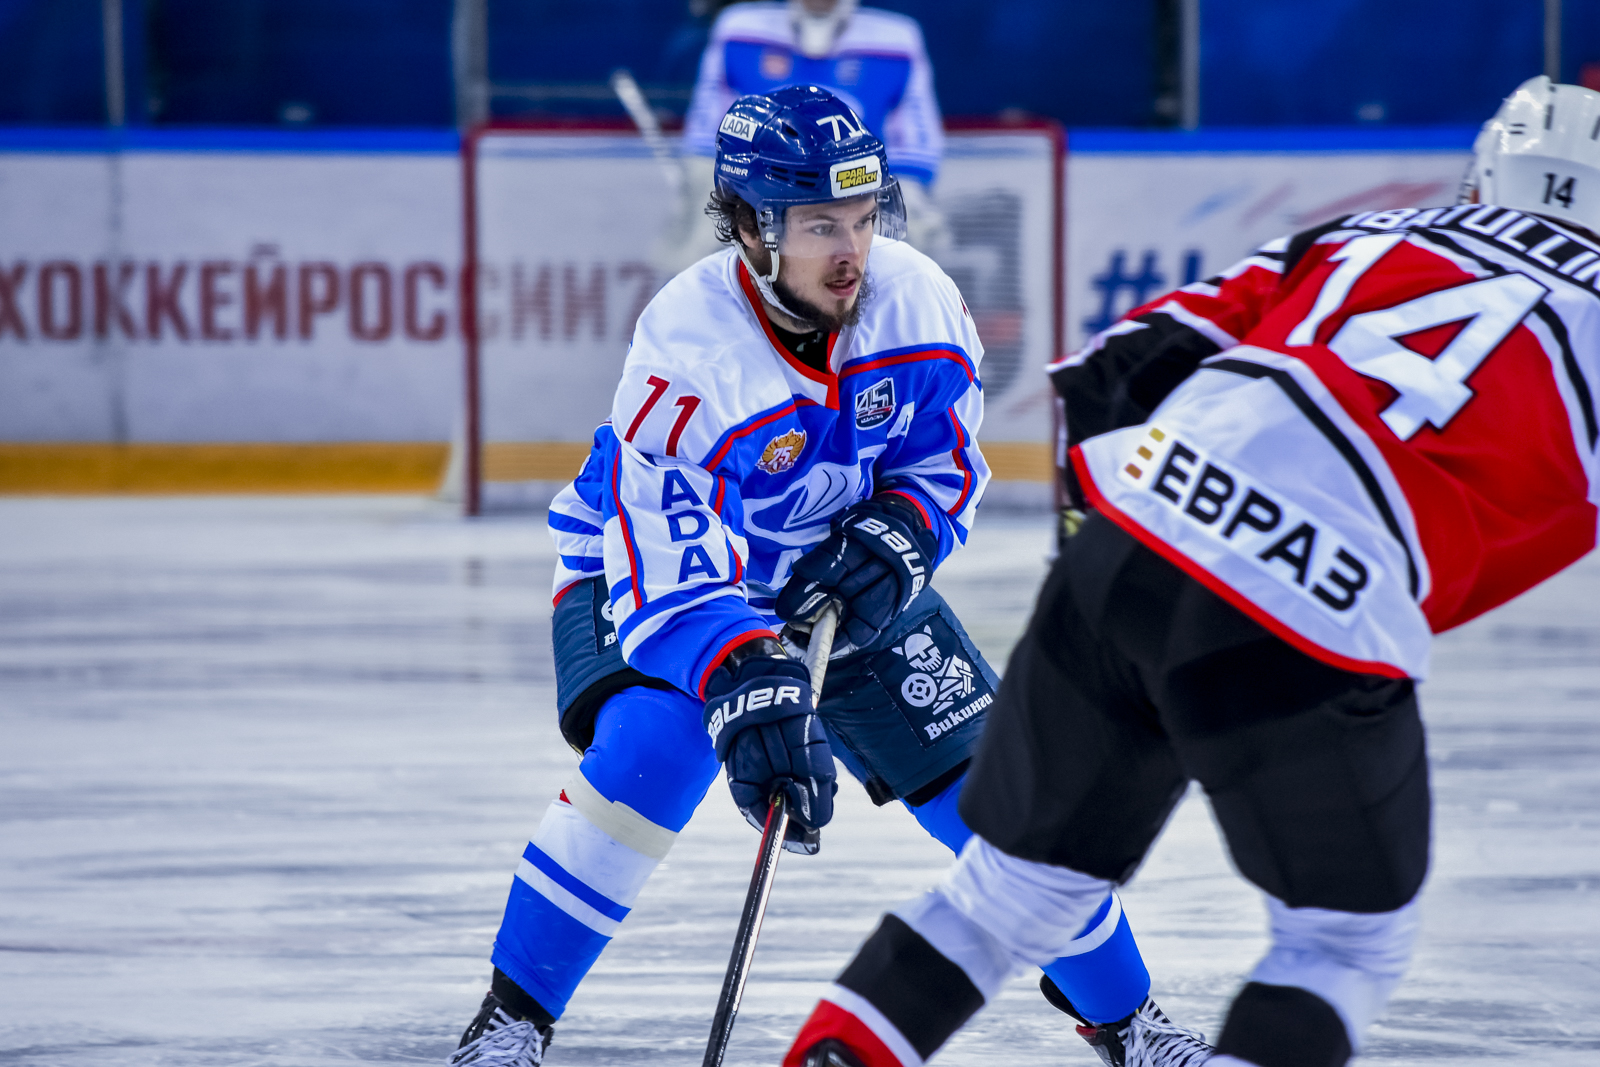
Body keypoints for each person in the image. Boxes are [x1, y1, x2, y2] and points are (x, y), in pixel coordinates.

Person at [784, 74, 1600, 1067]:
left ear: (1484, 175)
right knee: (1339, 945)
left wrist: (1099, 573)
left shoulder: (1371, 233)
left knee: (1005, 895)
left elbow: (1116, 364)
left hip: (1133, 545)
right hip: (1320, 610)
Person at [447, 87, 1205, 1067]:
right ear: (751, 228)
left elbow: (945, 465)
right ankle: (510, 1018)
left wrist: (905, 531)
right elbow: (667, 563)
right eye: (818, 226)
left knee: (1006, 799)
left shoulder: (918, 303)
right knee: (654, 748)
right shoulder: (690, 349)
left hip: (833, 565)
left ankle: (1131, 1021)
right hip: (645, 569)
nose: (852, 250)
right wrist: (743, 671)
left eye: (862, 217)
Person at [658, 0, 945, 275]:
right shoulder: (737, 32)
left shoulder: (898, 44)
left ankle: (891, 304)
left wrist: (854, 194)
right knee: (706, 201)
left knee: (909, 212)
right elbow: (706, 141)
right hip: (761, 186)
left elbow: (915, 154)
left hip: (856, 185)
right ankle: (702, 300)